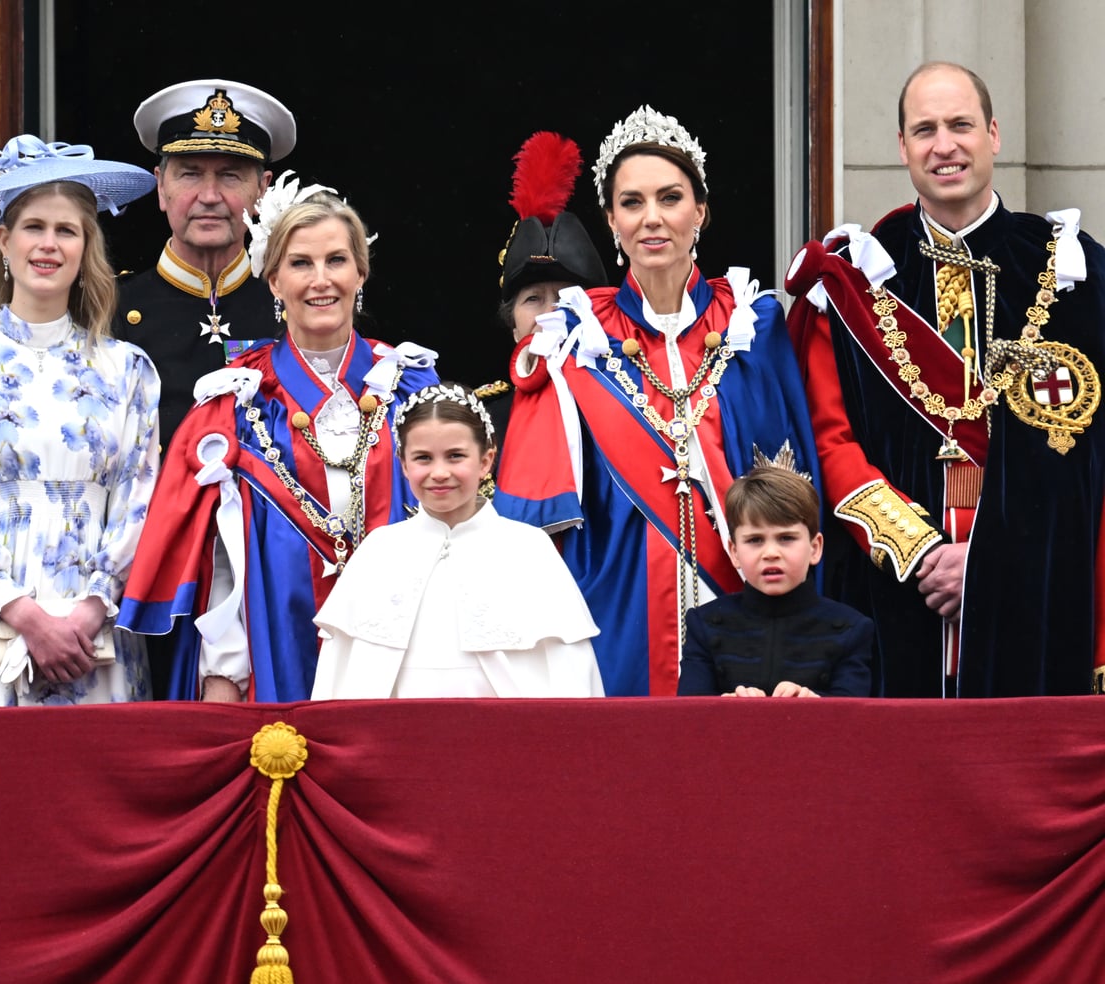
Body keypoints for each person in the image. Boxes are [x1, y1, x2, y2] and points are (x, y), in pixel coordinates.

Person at [783, 62, 1105, 697]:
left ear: (993, 134)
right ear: (902, 147)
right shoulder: (854, 277)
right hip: (894, 595)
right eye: (924, 129)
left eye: (960, 124)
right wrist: (922, 553)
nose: (944, 145)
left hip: (1039, 594)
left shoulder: (1075, 273)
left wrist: (989, 561)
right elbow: (830, 442)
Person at [495, 105, 822, 697]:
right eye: (632, 202)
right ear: (612, 222)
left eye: (670, 198)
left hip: (746, 612)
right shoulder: (572, 336)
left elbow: (793, 485)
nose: (652, 219)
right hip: (614, 614)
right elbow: (533, 525)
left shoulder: (756, 322)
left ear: (700, 210)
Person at [118, 178, 440, 702]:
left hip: (406, 656)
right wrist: (224, 673)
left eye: (336, 260)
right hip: (276, 653)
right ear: (272, 280)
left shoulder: (410, 387)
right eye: (300, 263)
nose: (321, 280)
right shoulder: (236, 404)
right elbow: (221, 560)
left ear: (361, 271)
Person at [0, 137, 160, 706]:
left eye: (66, 230)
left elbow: (138, 500)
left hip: (95, 636)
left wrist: (90, 609)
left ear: (85, 246)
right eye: (33, 227)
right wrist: (22, 613)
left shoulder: (129, 371)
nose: (48, 244)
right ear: (4, 240)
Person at [311, 382, 604, 699]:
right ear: (404, 464)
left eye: (455, 456)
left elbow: (570, 677)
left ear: (485, 461)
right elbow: (338, 682)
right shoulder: (378, 551)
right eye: (423, 458)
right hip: (397, 739)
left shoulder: (529, 548)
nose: (439, 472)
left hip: (504, 740)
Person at [121, 78, 297, 449]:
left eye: (230, 175)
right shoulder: (110, 307)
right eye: (190, 173)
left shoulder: (293, 307)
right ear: (161, 187)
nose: (210, 196)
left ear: (262, 189)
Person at [678, 465, 875, 698]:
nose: (771, 552)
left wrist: (819, 707)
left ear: (815, 548)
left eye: (786, 538)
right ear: (734, 552)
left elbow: (857, 724)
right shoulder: (704, 625)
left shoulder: (851, 629)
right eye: (755, 540)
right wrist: (722, 710)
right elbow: (688, 720)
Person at [480, 130, 608, 467]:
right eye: (533, 299)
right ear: (513, 328)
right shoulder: (482, 422)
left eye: (565, 298)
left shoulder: (627, 404)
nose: (551, 312)